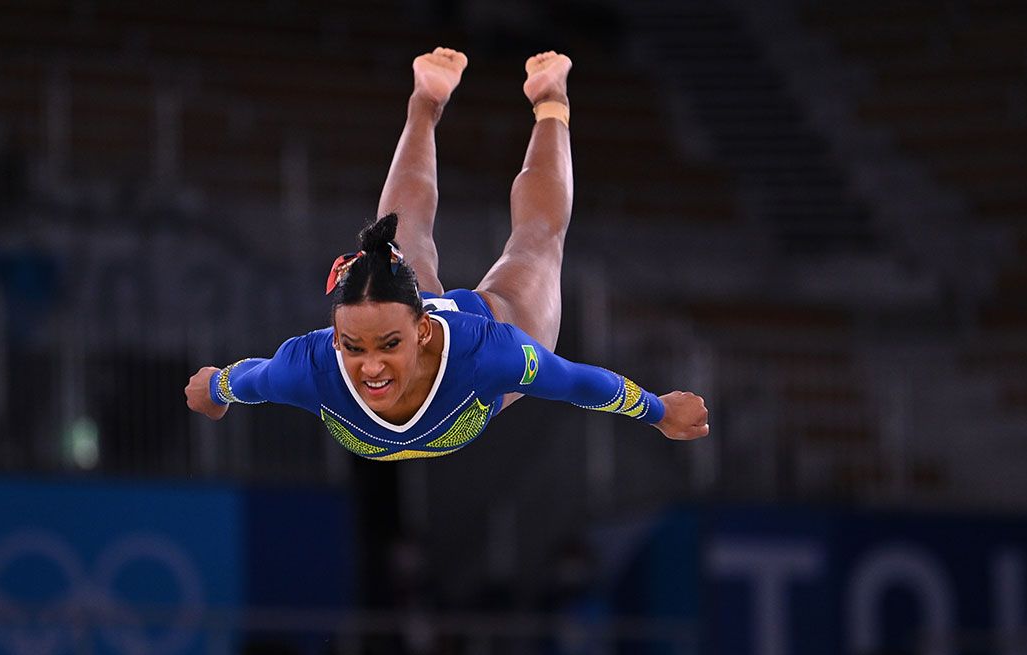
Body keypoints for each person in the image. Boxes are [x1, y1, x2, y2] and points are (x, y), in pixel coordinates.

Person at [184, 48, 708, 461]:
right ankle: (424, 102)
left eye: (387, 344)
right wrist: (216, 388)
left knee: (537, 242)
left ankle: (551, 99)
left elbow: (574, 381)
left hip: (486, 321)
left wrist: (658, 410)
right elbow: (246, 379)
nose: (369, 367)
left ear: (424, 329)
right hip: (433, 334)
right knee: (401, 241)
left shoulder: (489, 354)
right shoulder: (311, 367)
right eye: (353, 345)